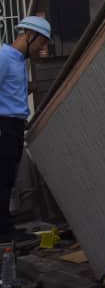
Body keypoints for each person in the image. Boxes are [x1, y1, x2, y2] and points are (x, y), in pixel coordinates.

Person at [0, 16, 51, 243]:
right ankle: (3, 231)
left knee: (7, 179)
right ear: (29, 36)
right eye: (42, 42)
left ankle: (5, 227)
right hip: (4, 126)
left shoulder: (19, 60)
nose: (43, 48)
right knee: (2, 179)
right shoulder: (3, 57)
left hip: (14, 125)